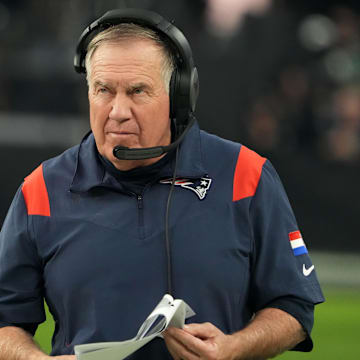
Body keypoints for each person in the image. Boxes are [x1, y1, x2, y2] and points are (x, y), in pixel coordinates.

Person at [0, 8, 324, 360]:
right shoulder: (40, 191)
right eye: (103, 90)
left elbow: (294, 307)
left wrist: (235, 348)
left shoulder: (247, 175)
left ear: (179, 95)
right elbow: (6, 320)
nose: (118, 110)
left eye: (137, 91)